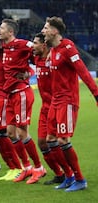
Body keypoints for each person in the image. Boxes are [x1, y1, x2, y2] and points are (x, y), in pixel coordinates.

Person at [41, 16, 98, 192]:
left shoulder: (68, 48)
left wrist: (96, 93)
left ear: (54, 31)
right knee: (50, 139)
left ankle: (80, 180)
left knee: (63, 139)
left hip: (67, 100)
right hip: (55, 101)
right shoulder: (52, 51)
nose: (43, 31)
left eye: (45, 28)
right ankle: (69, 176)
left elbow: (82, 71)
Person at [0, 18, 46, 184]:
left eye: (1, 28)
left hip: (21, 93)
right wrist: (28, 71)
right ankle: (26, 168)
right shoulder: (4, 47)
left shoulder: (21, 44)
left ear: (10, 32)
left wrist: (29, 73)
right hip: (10, 94)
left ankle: (39, 168)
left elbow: (39, 51)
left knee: (22, 132)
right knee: (10, 133)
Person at [32, 32, 72, 185]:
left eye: (35, 43)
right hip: (44, 107)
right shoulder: (36, 59)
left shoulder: (55, 60)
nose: (33, 46)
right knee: (42, 142)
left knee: (58, 142)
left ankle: (70, 174)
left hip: (57, 106)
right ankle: (59, 174)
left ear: (44, 45)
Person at [0, 32, 23, 180]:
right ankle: (11, 167)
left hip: (4, 99)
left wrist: (25, 75)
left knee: (4, 134)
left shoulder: (6, 57)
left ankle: (18, 167)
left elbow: (23, 69)